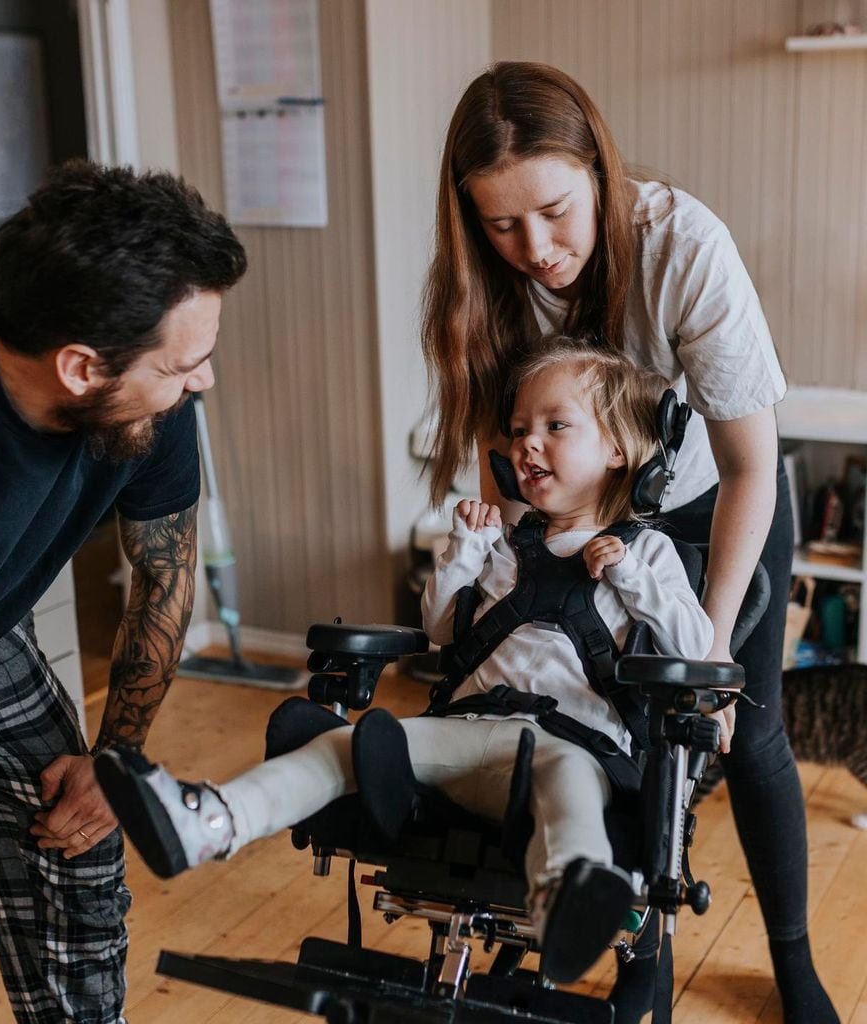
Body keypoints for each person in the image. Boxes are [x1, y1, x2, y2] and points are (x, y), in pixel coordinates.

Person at [420, 61, 835, 1024]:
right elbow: (503, 452)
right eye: (503, 224)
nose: (537, 248)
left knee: (739, 725)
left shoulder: (683, 246)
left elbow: (748, 466)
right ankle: (641, 947)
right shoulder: (485, 285)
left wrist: (711, 655)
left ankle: (793, 958)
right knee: (612, 728)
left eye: (557, 212)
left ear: (599, 168)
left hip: (708, 503)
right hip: (575, 508)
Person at [94, 340, 714, 985]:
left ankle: (567, 898)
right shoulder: (504, 546)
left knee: (571, 788)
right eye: (520, 430)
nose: (528, 444)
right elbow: (441, 629)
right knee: (352, 745)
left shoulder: (650, 556)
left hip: (570, 746)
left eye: (555, 427)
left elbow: (694, 648)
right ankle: (213, 820)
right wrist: (464, 554)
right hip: (466, 734)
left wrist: (633, 578)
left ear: (617, 450)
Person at [0, 160, 246, 1023]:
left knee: (82, 855)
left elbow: (165, 573)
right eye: (186, 364)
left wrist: (118, 758)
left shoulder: (156, 402)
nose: (202, 379)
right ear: (81, 368)